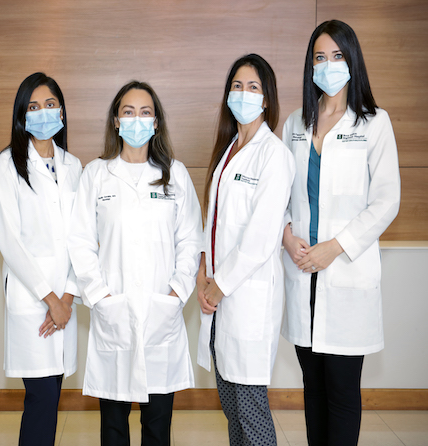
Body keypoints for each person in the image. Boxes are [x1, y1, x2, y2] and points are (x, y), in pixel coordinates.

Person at [281, 20, 401, 446]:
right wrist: (285, 235)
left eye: (336, 56)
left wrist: (335, 247)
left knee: (343, 392)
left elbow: (386, 201)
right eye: (319, 57)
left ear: (352, 61)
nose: (327, 65)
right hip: (302, 276)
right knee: (312, 389)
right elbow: (278, 198)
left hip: (345, 276)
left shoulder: (374, 123)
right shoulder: (295, 123)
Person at [68, 81, 202, 446]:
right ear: (115, 121)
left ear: (156, 123)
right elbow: (80, 240)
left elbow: (190, 239)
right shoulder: (97, 174)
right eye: (128, 112)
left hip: (162, 312)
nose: (137, 120)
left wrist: (176, 291)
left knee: (158, 424)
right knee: (113, 425)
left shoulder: (175, 175)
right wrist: (100, 296)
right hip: (115, 312)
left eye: (145, 113)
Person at [196, 54, 295, 445]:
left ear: (266, 99)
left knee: (251, 413)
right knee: (232, 410)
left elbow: (259, 238)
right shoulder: (228, 152)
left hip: (245, 301)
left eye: (253, 87)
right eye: (237, 86)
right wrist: (204, 274)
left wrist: (217, 287)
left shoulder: (275, 155)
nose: (243, 94)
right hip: (219, 301)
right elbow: (214, 224)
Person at [0, 73, 82, 446]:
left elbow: (83, 238)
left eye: (50, 104)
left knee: (51, 396)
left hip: (65, 303)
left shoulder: (74, 166)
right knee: (41, 399)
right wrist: (50, 299)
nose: (42, 112)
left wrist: (69, 297)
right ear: (21, 115)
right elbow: (10, 242)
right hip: (35, 304)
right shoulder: (7, 165)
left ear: (61, 110)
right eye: (32, 106)